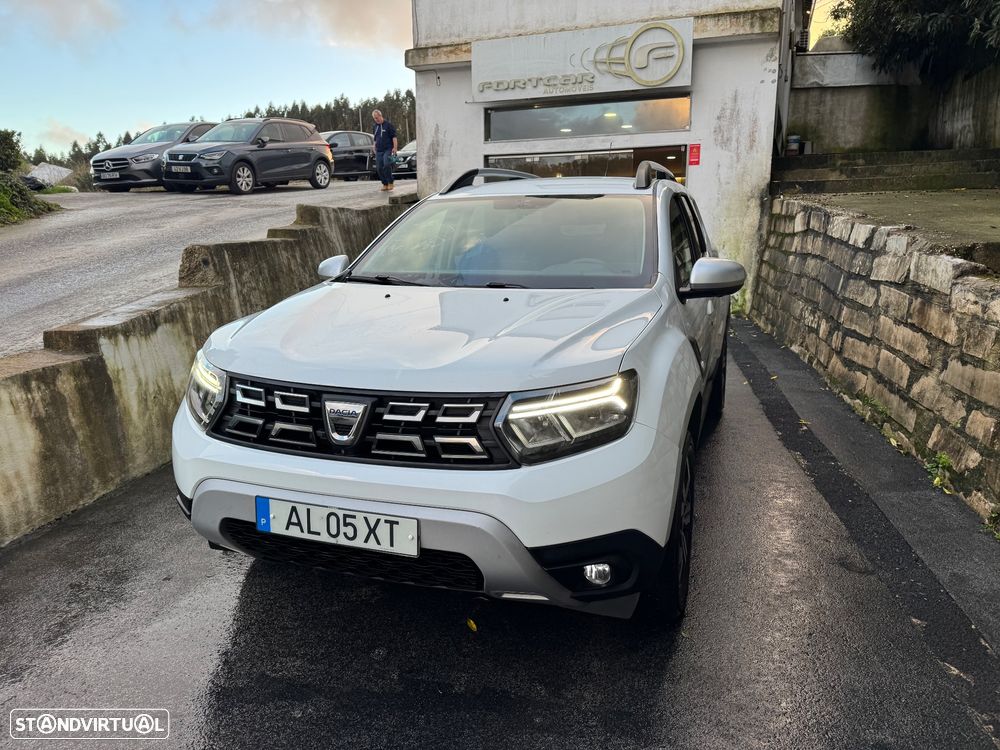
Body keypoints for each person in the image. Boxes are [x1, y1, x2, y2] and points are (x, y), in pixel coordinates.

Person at [371, 110, 398, 192]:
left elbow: (394, 137)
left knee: (386, 164)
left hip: (388, 149)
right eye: (374, 118)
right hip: (379, 150)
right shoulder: (375, 126)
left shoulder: (388, 125)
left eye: (377, 118)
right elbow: (375, 138)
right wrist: (374, 146)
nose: (376, 120)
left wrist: (395, 148)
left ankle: (390, 182)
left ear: (380, 115)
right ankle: (385, 184)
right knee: (379, 168)